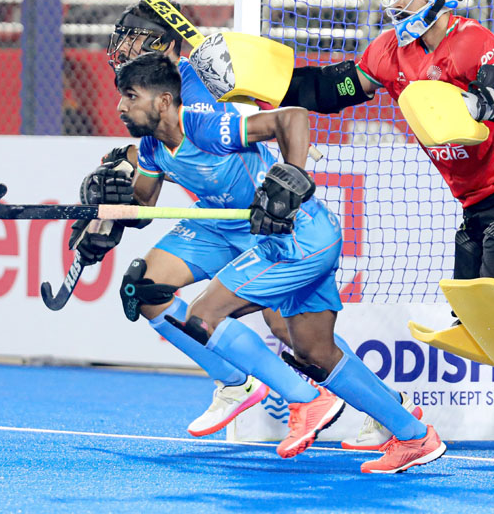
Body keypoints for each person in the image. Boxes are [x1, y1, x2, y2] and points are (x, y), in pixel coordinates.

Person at [265, 0, 494, 451]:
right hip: (473, 202)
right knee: (477, 323)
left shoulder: (471, 40)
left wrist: (479, 100)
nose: (397, 2)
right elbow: (334, 88)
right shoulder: (388, 51)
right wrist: (269, 85)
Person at [116, 52, 447, 473]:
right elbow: (143, 204)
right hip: (304, 240)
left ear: (164, 101)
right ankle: (415, 436)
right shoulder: (150, 148)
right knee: (315, 351)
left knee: (202, 316)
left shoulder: (205, 125)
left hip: (297, 240)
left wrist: (292, 175)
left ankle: (296, 397)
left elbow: (292, 117)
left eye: (130, 96)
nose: (121, 107)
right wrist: (108, 198)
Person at [72, 0, 269, 438]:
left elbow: (257, 129)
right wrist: (111, 215)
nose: (123, 50)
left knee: (303, 338)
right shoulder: (149, 93)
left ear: (168, 45)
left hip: (263, 223)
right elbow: (147, 193)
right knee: (142, 288)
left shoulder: (202, 93)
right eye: (122, 39)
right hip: (215, 220)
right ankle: (234, 383)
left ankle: (385, 408)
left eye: (135, 39)